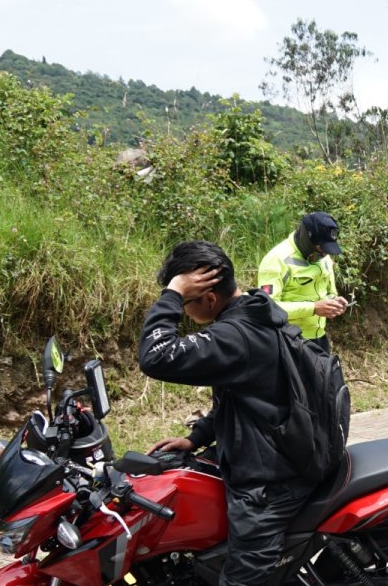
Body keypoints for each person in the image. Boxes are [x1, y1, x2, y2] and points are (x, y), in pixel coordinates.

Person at [140, 241, 317, 585]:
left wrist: (173, 293)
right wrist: (197, 437)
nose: (185, 313)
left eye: (187, 303)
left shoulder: (237, 335)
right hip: (272, 457)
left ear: (208, 298)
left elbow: (156, 356)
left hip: (269, 485)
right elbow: (240, 396)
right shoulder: (253, 312)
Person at [258, 211, 348, 353]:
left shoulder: (324, 257)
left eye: (327, 251)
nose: (324, 254)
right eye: (320, 249)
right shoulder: (276, 260)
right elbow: (268, 309)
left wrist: (334, 302)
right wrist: (313, 308)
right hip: (288, 341)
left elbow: (329, 292)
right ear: (307, 239)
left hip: (319, 339)